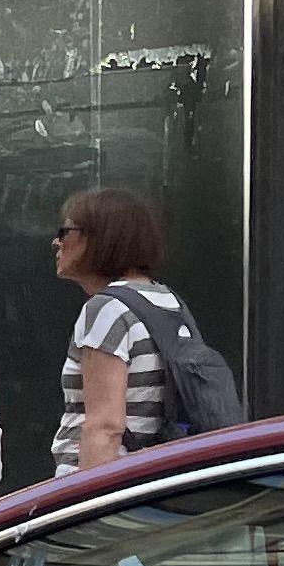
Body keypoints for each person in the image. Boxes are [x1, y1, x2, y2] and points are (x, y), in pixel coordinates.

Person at [52, 185, 183, 472]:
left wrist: (85, 503)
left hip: (106, 483)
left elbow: (105, 427)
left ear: (101, 238)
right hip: (146, 479)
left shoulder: (108, 309)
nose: (56, 242)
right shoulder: (165, 301)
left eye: (66, 232)